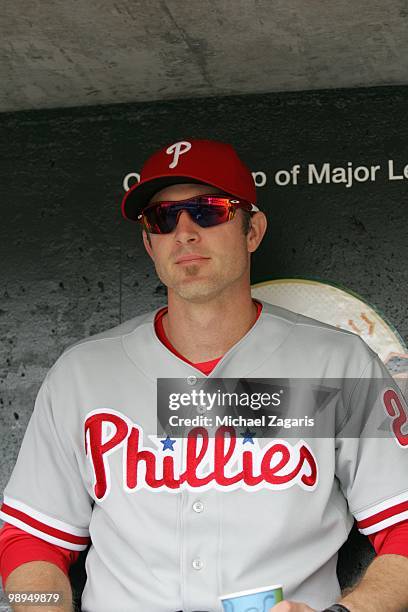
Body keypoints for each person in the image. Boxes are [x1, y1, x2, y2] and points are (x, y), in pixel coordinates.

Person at [1, 138, 408, 612]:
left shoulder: (336, 365)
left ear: (252, 230)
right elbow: (30, 541)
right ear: (149, 241)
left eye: (209, 210)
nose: (185, 232)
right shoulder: (83, 374)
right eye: (163, 218)